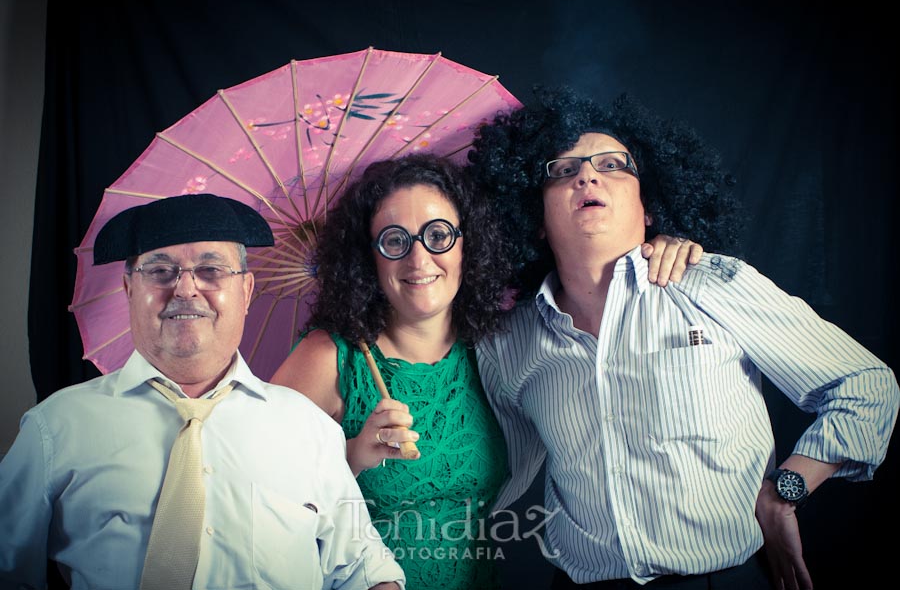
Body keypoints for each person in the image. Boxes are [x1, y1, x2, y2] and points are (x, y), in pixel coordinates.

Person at [466, 88, 900, 590]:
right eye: (563, 170)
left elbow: (866, 384)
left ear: (649, 207)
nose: (586, 176)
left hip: (721, 579)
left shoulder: (713, 283)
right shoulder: (506, 340)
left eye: (612, 165)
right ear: (534, 218)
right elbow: (491, 471)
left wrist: (784, 492)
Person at [270, 153, 699, 589]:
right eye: (394, 241)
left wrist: (659, 246)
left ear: (467, 245)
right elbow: (258, 496)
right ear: (369, 257)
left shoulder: (499, 349)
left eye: (438, 235)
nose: (419, 259)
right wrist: (351, 458)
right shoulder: (329, 358)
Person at [0, 194, 404, 590]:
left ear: (246, 291)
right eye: (160, 271)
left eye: (211, 270)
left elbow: (364, 571)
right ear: (129, 290)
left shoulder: (311, 429)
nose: (185, 289)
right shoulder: (56, 428)